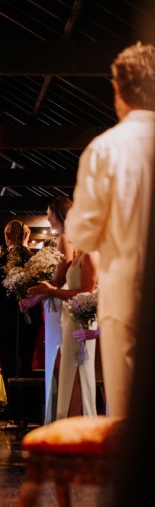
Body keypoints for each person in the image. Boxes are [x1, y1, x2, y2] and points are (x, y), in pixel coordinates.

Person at [65, 42, 155, 418]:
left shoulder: (106, 150)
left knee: (127, 409)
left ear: (118, 90)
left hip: (128, 292)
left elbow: (82, 234)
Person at [20, 196, 74, 423]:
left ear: (58, 213)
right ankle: (59, 413)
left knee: (58, 359)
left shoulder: (64, 238)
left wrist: (36, 297)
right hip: (58, 301)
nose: (48, 216)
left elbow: (59, 279)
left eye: (49, 212)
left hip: (59, 304)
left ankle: (60, 415)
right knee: (56, 358)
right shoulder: (71, 237)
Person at [0, 220, 43, 425]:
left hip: (7, 322)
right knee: (27, 364)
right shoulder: (36, 260)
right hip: (31, 321)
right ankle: (31, 411)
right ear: (27, 236)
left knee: (9, 366)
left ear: (8, 237)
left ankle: (15, 411)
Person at [29, 250, 99, 419]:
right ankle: (68, 420)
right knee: (68, 372)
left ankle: (81, 422)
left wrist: (52, 290)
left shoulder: (90, 255)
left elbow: (86, 293)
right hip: (70, 317)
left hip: (82, 318)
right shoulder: (76, 255)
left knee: (79, 371)